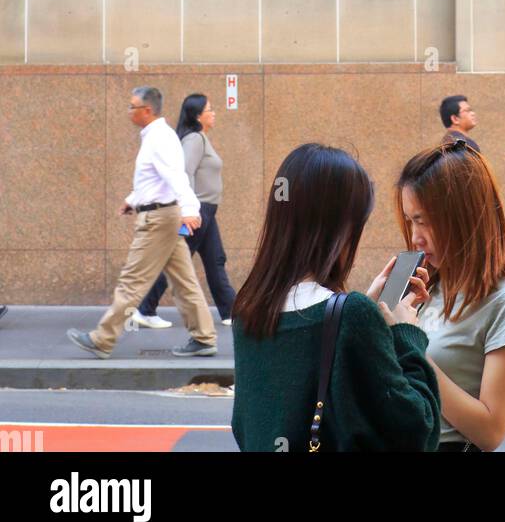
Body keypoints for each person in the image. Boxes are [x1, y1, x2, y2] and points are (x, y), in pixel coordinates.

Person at [231, 144, 440, 452]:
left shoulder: (248, 309)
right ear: (342, 229)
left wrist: (363, 312)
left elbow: (244, 424)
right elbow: (418, 431)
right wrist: (405, 334)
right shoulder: (352, 315)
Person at [396, 139, 505, 452]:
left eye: (423, 220)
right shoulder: (416, 281)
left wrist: (410, 344)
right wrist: (371, 306)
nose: (415, 237)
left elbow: (490, 432)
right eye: (410, 221)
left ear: (463, 216)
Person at [67, 86, 217, 359]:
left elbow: (175, 176)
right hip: (164, 216)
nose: (129, 111)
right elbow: (156, 179)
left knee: (132, 280)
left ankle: (102, 338)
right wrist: (133, 199)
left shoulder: (159, 138)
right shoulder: (156, 136)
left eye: (132, 106)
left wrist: (190, 208)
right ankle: (204, 338)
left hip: (158, 220)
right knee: (185, 282)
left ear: (147, 110)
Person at [132, 94, 236, 329]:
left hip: (206, 211)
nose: (214, 113)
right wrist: (189, 211)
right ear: (198, 116)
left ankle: (231, 311)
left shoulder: (201, 139)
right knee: (174, 260)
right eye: (210, 109)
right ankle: (144, 309)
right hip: (198, 210)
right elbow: (184, 173)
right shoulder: (195, 140)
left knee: (215, 260)